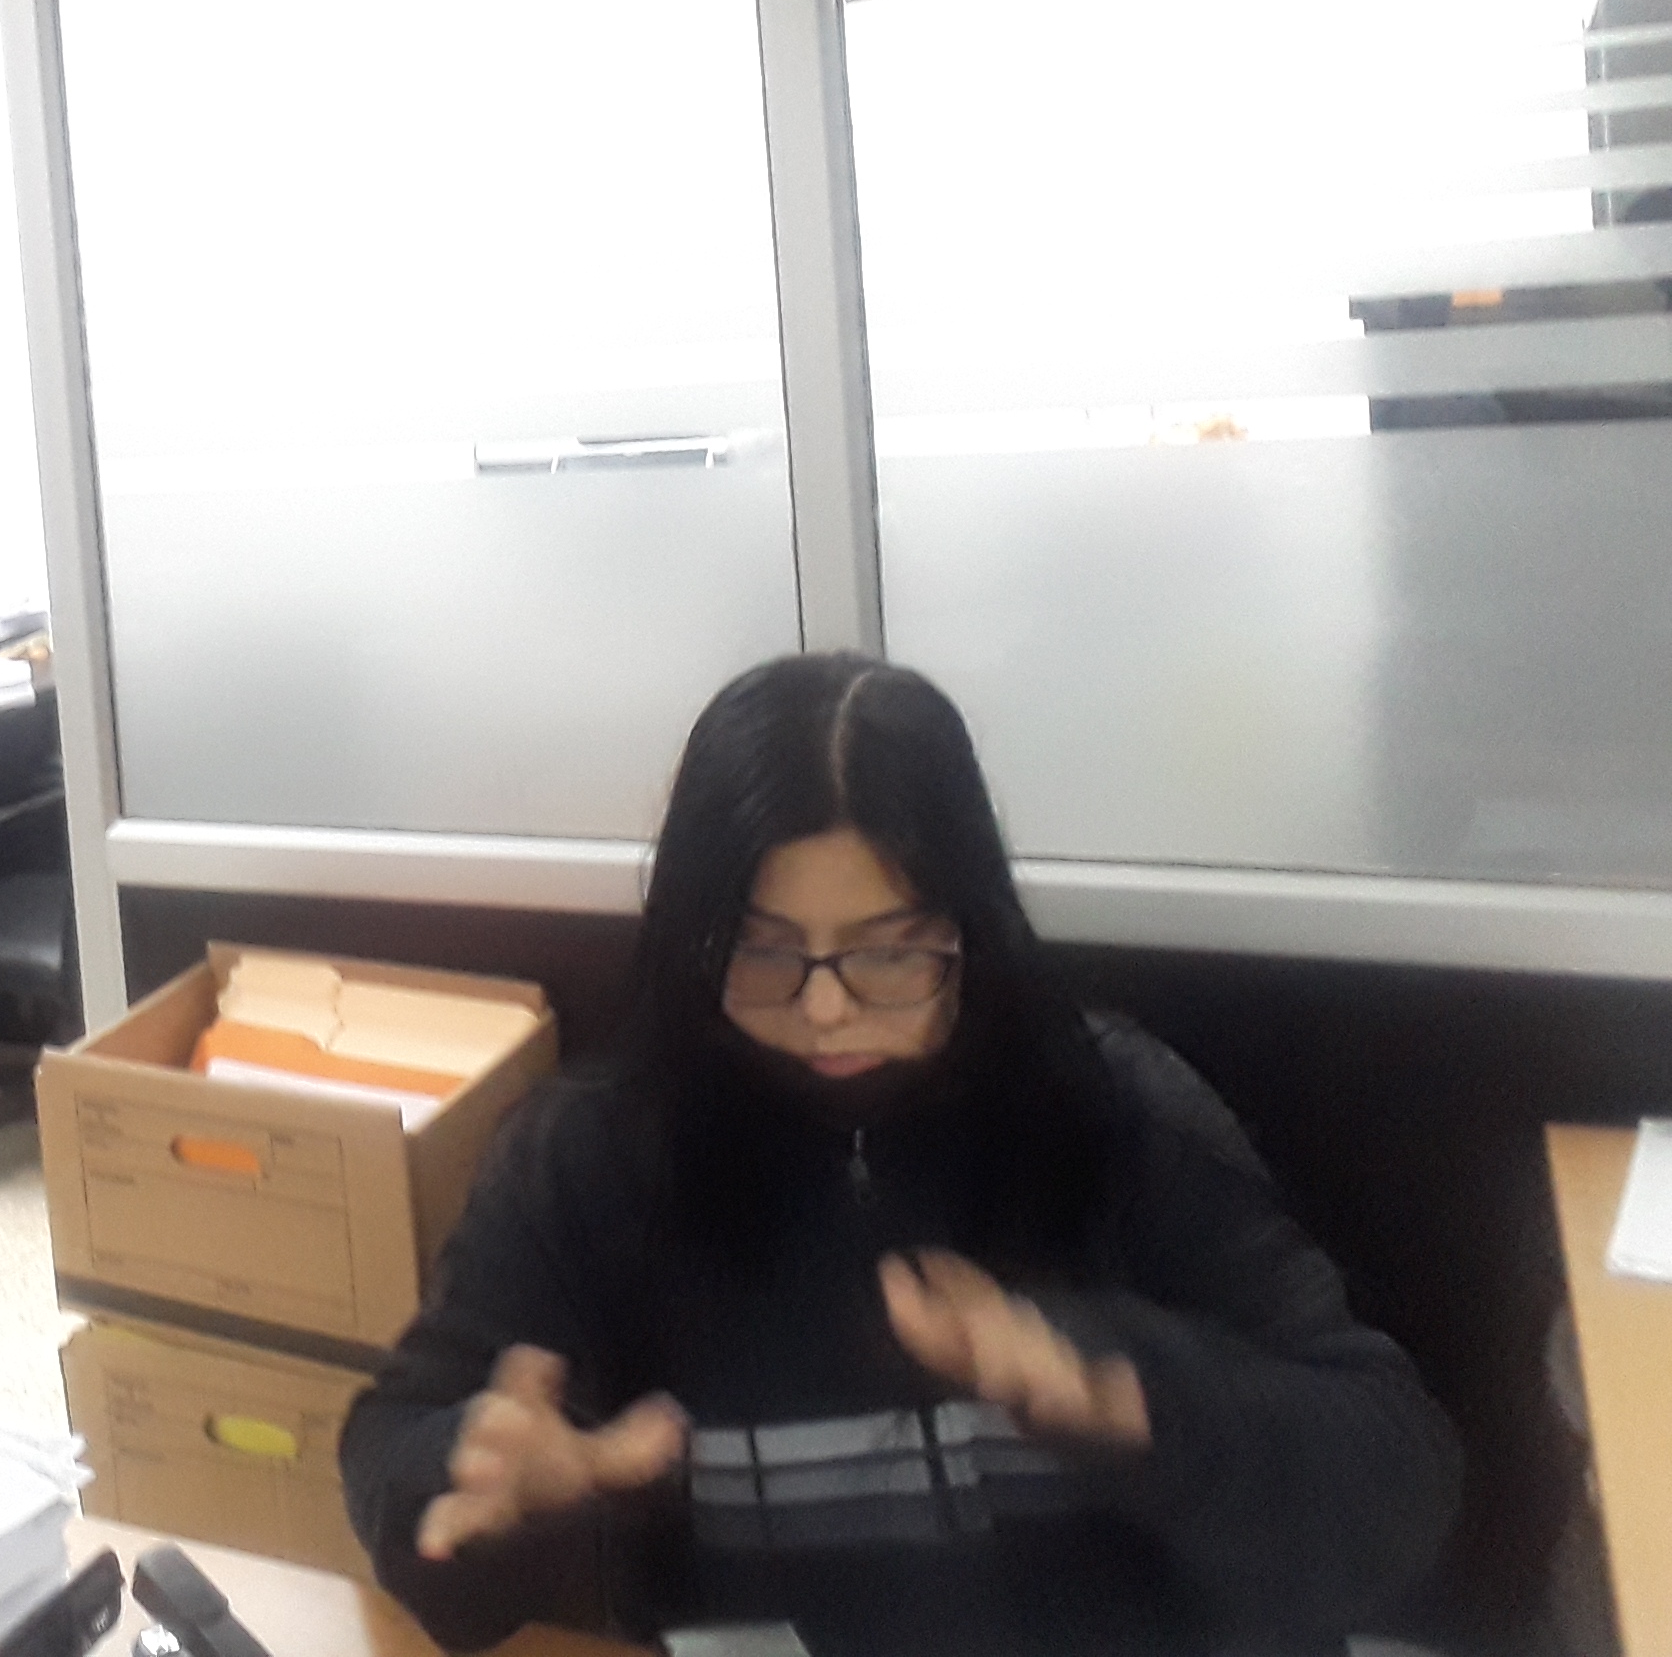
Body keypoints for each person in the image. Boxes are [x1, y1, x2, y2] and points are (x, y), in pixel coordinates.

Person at [339, 654, 1461, 1657]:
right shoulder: (590, 1156)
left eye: (887, 953)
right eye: (761, 950)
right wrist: (494, 1490)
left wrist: (1127, 1396)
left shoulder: (1115, 1114)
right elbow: (395, 1458)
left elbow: (1395, 1480)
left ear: (971, 928)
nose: (826, 1009)